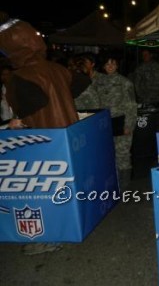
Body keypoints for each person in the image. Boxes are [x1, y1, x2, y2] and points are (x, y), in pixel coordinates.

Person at [0, 15, 86, 255]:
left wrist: (18, 120)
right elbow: (81, 82)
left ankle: (48, 237)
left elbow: (29, 109)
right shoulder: (56, 69)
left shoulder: (20, 77)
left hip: (44, 143)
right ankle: (69, 229)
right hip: (68, 136)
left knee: (41, 193)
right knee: (65, 188)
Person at [98, 54, 137, 190]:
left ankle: (125, 185)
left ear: (117, 65)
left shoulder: (125, 82)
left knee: (123, 154)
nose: (110, 66)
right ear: (103, 66)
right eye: (107, 64)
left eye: (113, 63)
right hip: (104, 124)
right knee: (107, 154)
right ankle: (112, 182)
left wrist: (128, 125)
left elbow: (131, 106)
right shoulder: (98, 82)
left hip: (121, 122)